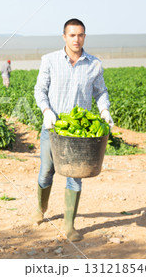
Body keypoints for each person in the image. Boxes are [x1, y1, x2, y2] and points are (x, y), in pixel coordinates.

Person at [33, 18, 114, 242]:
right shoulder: (49, 60)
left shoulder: (94, 64)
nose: (76, 39)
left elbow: (101, 92)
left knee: (75, 176)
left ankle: (69, 225)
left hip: (79, 131)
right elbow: (40, 90)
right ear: (64, 37)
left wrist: (104, 110)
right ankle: (41, 209)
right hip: (53, 127)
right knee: (47, 170)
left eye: (80, 35)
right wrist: (46, 110)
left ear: (84, 37)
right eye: (72, 35)